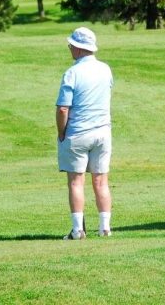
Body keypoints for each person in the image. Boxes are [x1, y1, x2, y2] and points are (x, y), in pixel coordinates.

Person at [55, 27, 114, 240]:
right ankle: (105, 228)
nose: (70, 48)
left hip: (78, 133)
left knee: (76, 182)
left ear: (79, 48)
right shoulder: (105, 69)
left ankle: (78, 230)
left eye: (71, 45)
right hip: (103, 133)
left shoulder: (72, 72)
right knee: (101, 181)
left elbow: (63, 108)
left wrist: (61, 132)